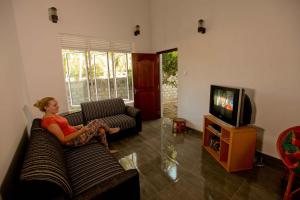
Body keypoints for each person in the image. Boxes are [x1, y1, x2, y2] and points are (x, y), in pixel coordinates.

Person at [34, 97, 119, 153]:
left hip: (77, 134)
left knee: (101, 130)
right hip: (75, 140)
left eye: (57, 104)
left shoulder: (53, 115)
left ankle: (107, 150)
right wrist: (81, 131)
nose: (58, 106)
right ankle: (110, 130)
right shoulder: (49, 122)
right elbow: (63, 139)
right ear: (46, 108)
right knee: (97, 121)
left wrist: (76, 127)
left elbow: (65, 127)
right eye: (55, 105)